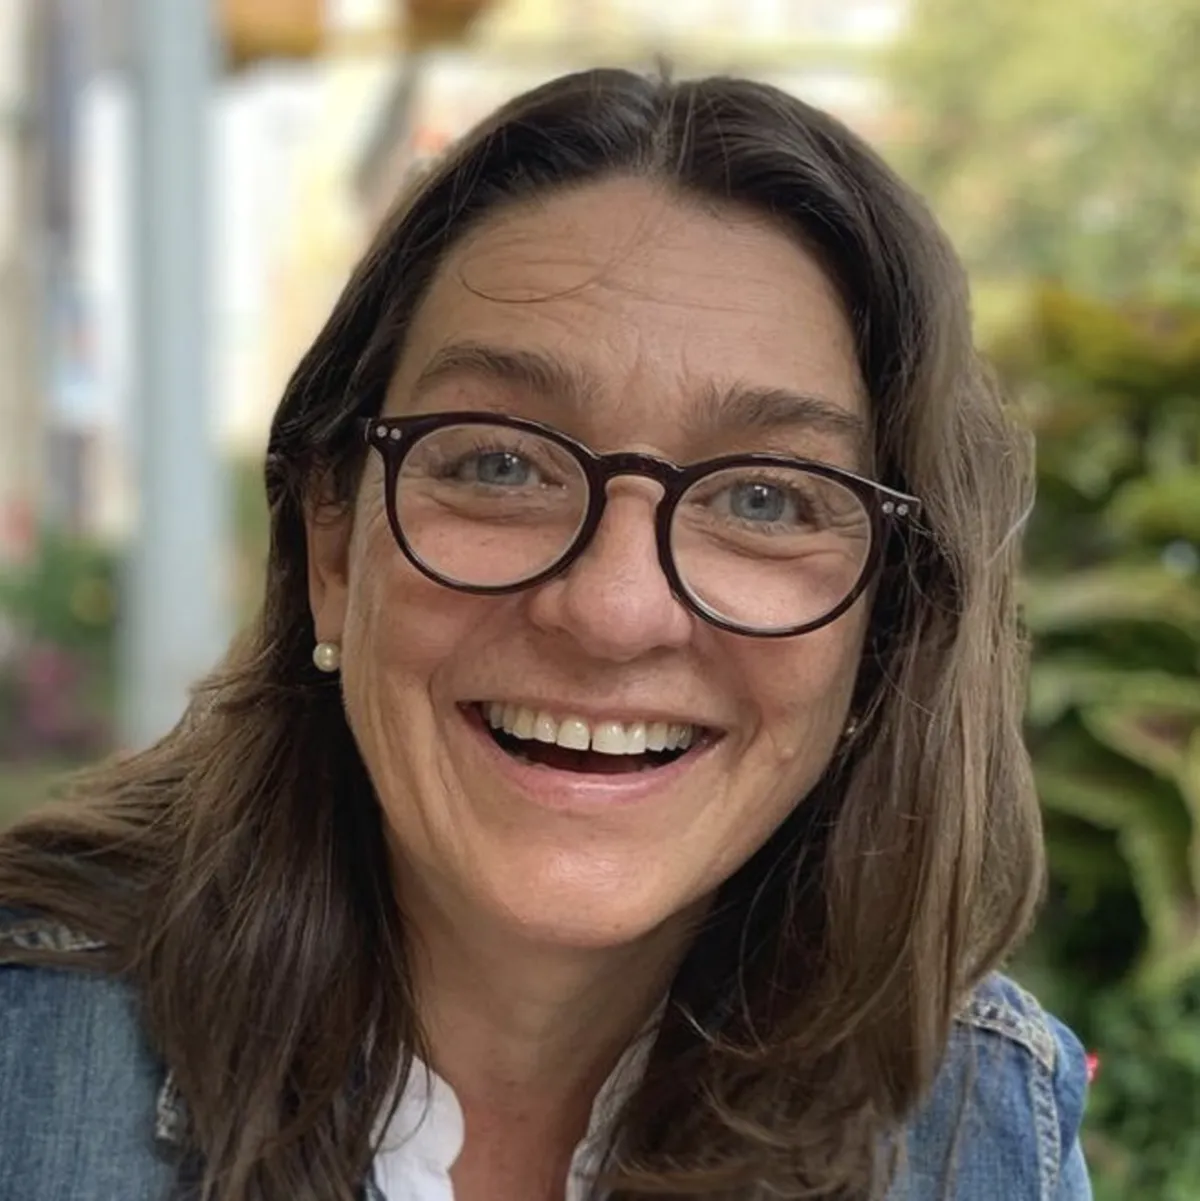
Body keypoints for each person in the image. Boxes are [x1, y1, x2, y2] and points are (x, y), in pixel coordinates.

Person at [0, 68, 1091, 1201]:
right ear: (333, 550)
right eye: (499, 465)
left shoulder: (982, 1128)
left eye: (764, 499)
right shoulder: (25, 1062)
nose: (614, 610)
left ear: (890, 619)